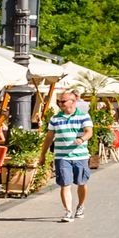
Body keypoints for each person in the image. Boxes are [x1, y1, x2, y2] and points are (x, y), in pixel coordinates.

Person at [48, 88, 94, 222]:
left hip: (80, 156)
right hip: (62, 157)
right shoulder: (55, 119)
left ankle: (80, 205)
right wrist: (43, 154)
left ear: (73, 102)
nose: (60, 104)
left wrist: (82, 139)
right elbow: (49, 137)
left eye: (63, 101)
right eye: (59, 101)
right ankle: (68, 211)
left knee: (81, 183)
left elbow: (89, 132)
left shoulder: (83, 116)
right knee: (65, 184)